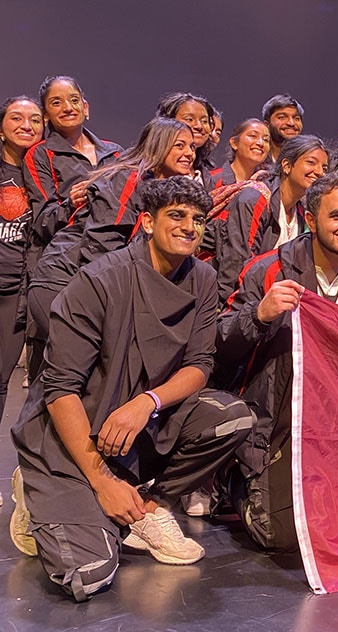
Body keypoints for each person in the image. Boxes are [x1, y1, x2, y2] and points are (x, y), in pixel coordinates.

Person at [10, 177, 254, 601]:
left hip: (136, 428)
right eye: (176, 216)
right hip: (72, 440)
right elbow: (60, 390)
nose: (189, 227)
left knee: (232, 417)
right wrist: (101, 481)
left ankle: (149, 507)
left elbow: (200, 365)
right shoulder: (99, 281)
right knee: (88, 573)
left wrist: (148, 401)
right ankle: (37, 490)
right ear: (146, 222)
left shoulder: (203, 278)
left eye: (198, 219)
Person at [214, 171, 338, 552]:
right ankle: (234, 476)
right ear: (311, 220)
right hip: (279, 419)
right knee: (282, 538)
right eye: (337, 217)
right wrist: (259, 316)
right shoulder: (268, 270)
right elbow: (218, 344)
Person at [26, 118, 196, 380]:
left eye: (192, 147)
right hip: (63, 282)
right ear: (158, 146)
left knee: (87, 377)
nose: (189, 153)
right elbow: (102, 246)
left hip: (93, 284)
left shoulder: (165, 192)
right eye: (179, 145)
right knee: (75, 374)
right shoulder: (129, 178)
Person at [22, 76, 121, 279]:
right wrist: (71, 203)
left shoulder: (116, 153)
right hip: (65, 263)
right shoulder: (41, 154)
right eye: (56, 103)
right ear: (46, 116)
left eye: (74, 100)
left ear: (86, 108)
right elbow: (42, 221)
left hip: (114, 261)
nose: (68, 107)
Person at [212, 134, 328, 305]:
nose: (319, 172)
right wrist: (229, 313)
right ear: (287, 166)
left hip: (268, 300)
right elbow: (236, 261)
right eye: (311, 163)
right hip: (238, 302)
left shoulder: (301, 212)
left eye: (324, 167)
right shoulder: (255, 199)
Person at [0, 96, 44, 419]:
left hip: (16, 290)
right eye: (16, 118)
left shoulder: (48, 174)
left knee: (1, 379)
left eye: (34, 119)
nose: (26, 125)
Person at [156, 92, 215, 189]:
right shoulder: (143, 170)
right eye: (189, 119)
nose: (199, 126)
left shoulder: (206, 174)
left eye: (204, 121)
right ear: (168, 121)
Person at [209, 118, 270, 188]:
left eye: (266, 140)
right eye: (253, 136)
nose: (261, 143)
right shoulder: (212, 180)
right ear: (234, 143)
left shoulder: (267, 186)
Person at [261, 93, 304, 164]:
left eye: (296, 118)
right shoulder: (257, 158)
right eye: (282, 117)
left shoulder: (308, 158)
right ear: (266, 125)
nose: (291, 123)